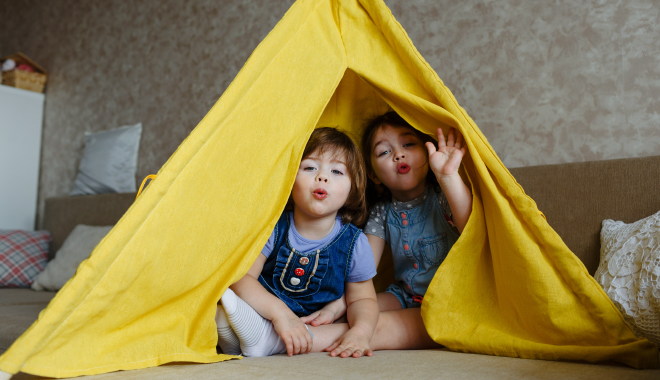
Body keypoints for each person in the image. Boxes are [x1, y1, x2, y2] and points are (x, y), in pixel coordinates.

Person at [305, 111, 472, 351]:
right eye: (384, 152)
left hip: (449, 305)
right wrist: (337, 306)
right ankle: (285, 327)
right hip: (404, 297)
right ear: (373, 175)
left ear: (427, 152)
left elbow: (472, 232)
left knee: (375, 325)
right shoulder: (382, 212)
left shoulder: (443, 198)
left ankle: (279, 341)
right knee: (355, 309)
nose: (398, 154)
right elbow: (363, 271)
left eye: (409, 144)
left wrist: (448, 176)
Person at [216, 127, 380, 358]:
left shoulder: (356, 243)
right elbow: (242, 278)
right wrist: (280, 314)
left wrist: (361, 332)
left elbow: (362, 299)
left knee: (347, 319)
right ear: (290, 179)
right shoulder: (273, 228)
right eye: (310, 167)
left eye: (337, 171)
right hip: (267, 310)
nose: (322, 176)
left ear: (353, 189)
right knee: (231, 300)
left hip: (314, 324)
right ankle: (237, 334)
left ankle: (246, 334)